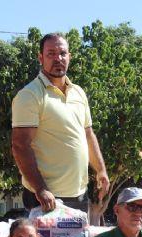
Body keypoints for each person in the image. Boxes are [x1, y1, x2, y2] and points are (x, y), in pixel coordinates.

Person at [11, 32, 109, 213]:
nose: (58, 58)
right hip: (45, 197)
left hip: (79, 194)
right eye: (51, 54)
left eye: (62, 53)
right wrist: (41, 189)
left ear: (69, 57)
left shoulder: (79, 93)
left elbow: (88, 134)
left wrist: (101, 170)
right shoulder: (30, 95)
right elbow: (20, 145)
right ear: (40, 58)